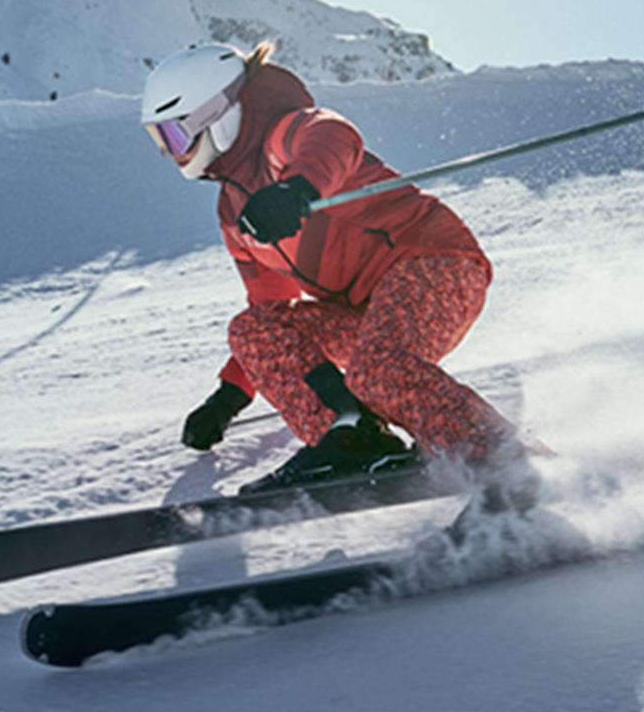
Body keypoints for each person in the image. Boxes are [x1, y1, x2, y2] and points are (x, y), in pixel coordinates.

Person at [141, 41, 532, 501]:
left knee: (375, 370)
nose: (171, 154)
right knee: (253, 329)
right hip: (367, 313)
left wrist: (298, 189)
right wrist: (228, 399)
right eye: (158, 141)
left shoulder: (286, 134)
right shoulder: (233, 211)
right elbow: (271, 308)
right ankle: (352, 437)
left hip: (436, 267)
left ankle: (514, 468)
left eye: (174, 136)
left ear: (216, 114)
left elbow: (334, 136)